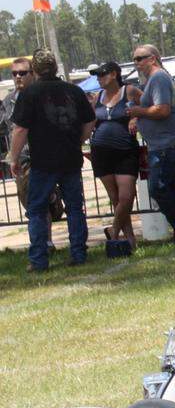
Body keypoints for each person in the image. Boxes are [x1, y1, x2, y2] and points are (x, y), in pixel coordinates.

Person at [6, 50, 95, 273]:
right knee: (75, 208)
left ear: (34, 70)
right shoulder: (74, 90)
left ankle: (38, 260)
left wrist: (13, 158)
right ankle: (79, 254)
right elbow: (90, 120)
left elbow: (20, 129)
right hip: (70, 158)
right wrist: (78, 140)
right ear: (55, 68)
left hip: (42, 162)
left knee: (36, 210)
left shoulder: (30, 93)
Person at [128, 45, 175, 243]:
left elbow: (162, 110)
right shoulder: (153, 79)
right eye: (134, 59)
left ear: (153, 59)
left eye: (141, 58)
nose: (137, 62)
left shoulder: (158, 77)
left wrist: (138, 112)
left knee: (157, 187)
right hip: (164, 143)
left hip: (167, 145)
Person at [88, 61, 141, 251]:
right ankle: (129, 240)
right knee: (116, 199)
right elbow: (90, 122)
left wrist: (135, 117)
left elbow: (146, 107)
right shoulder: (97, 97)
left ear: (114, 74)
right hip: (101, 152)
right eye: (97, 75)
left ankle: (113, 231)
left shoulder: (130, 91)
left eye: (102, 74)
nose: (99, 78)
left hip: (125, 150)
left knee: (127, 196)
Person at [0, 58, 34, 209]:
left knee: (36, 203)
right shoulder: (8, 101)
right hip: (21, 158)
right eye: (14, 73)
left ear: (32, 74)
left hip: (45, 155)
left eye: (22, 73)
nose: (18, 76)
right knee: (27, 199)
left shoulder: (40, 95)